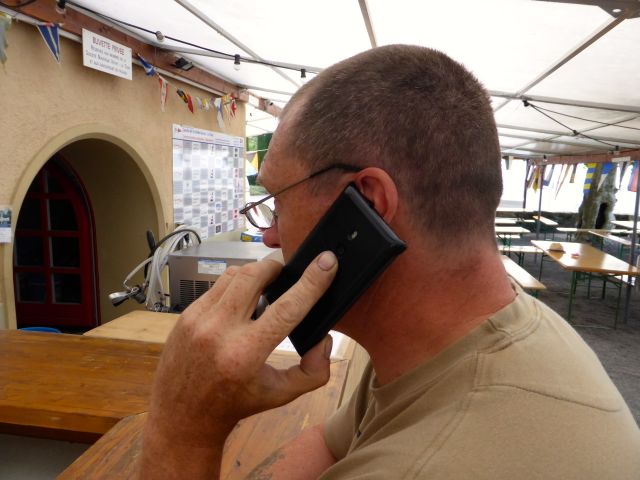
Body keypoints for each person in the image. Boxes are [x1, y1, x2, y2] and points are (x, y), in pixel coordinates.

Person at [139, 45, 640, 479]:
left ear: (368, 203)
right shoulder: (465, 334)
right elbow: (330, 445)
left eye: (277, 201)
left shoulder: (432, 464)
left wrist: (183, 426)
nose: (269, 234)